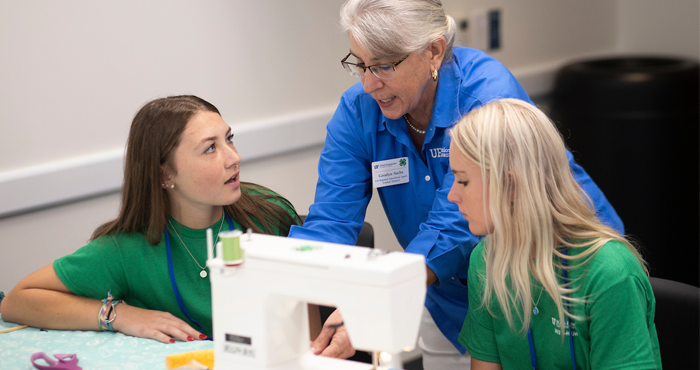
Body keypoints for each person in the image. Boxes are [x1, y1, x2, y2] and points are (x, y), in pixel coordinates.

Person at [288, 0, 624, 368]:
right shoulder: (358, 111)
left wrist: (379, 298)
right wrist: (287, 285)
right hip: (446, 291)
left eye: (384, 65)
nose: (369, 84)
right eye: (360, 64)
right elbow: (330, 220)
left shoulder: (484, 96)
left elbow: (457, 221)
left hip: (553, 281)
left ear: (434, 51)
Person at [0, 95, 305, 343]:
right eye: (211, 148)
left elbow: (310, 324)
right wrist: (121, 316)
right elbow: (16, 301)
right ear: (164, 174)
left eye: (229, 139)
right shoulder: (126, 247)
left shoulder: (270, 214)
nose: (234, 157)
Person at [450, 99, 661, 369]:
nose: (452, 195)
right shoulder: (487, 260)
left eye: (463, 180)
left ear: (510, 185)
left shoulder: (609, 273)